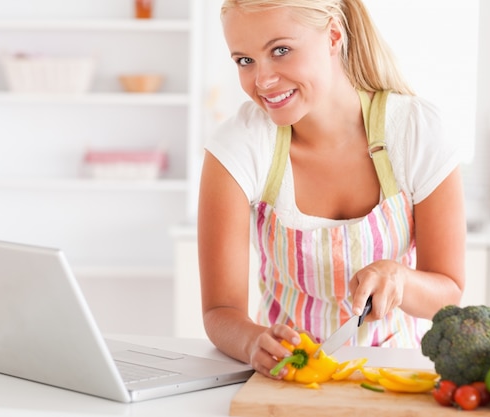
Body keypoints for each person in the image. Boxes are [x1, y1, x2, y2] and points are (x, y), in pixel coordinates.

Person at [197, 0, 466, 379]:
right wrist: (252, 341)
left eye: (280, 51)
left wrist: (400, 278)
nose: (262, 80)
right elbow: (219, 312)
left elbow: (449, 289)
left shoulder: (414, 131)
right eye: (245, 61)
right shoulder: (240, 145)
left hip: (398, 378)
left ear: (334, 36)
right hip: (287, 380)